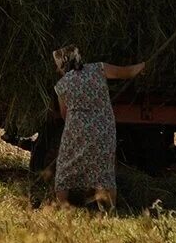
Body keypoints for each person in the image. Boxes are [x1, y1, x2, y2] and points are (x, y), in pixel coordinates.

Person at [52, 44, 145, 210]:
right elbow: (127, 72)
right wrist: (144, 65)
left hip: (76, 132)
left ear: (63, 64)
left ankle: (63, 209)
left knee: (65, 169)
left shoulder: (62, 85)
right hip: (103, 130)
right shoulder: (99, 69)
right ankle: (109, 212)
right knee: (103, 170)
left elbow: (64, 114)